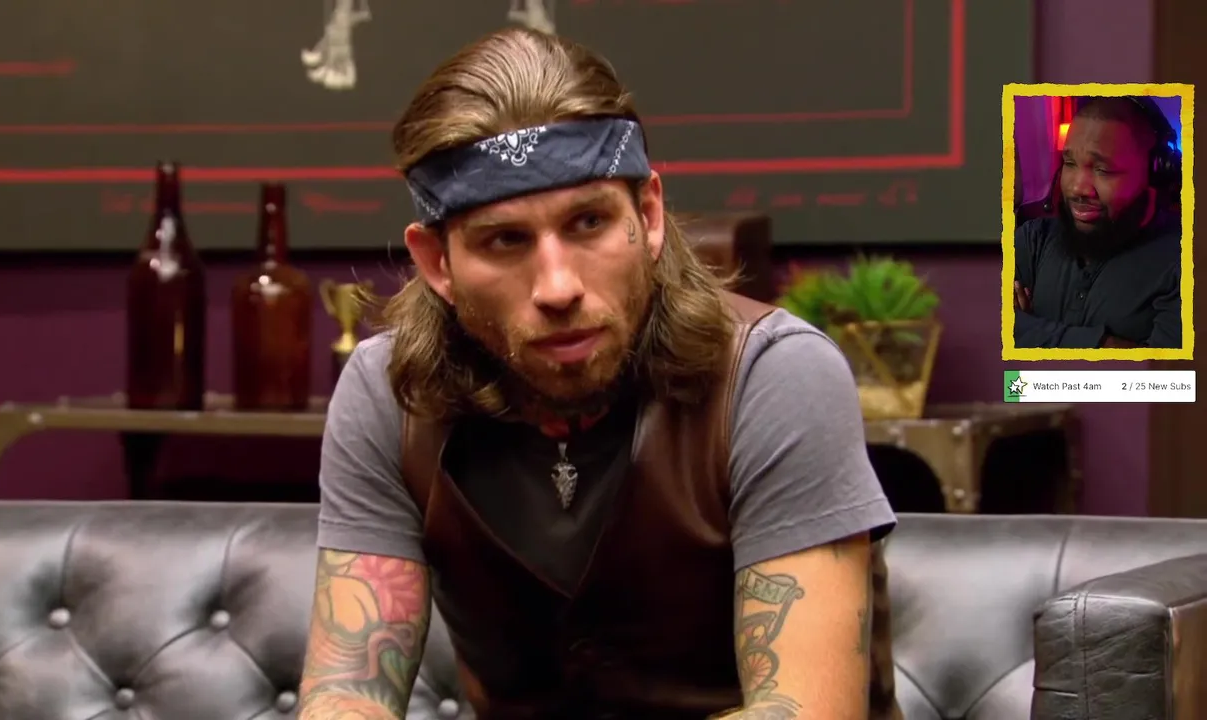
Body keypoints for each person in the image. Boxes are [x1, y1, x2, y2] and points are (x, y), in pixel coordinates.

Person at [298, 28, 897, 720]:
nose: (558, 287)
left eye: (588, 223)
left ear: (648, 216)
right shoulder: (390, 394)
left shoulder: (774, 375)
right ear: (438, 264)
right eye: (505, 240)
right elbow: (348, 692)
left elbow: (803, 712)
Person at [1013, 96, 1182, 349]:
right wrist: (1108, 345)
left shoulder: (1184, 264)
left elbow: (1162, 372)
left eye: (1103, 170)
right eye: (1069, 163)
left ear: (1154, 172)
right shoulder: (1033, 239)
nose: (1077, 189)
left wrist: (1030, 330)